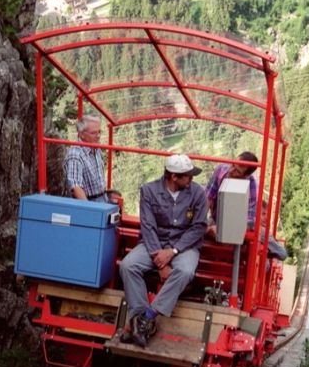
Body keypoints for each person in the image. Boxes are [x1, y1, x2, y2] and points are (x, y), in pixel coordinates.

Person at [119, 154, 209, 347]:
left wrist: (173, 251)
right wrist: (158, 258)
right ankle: (139, 318)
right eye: (187, 176)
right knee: (128, 265)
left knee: (185, 271)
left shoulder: (198, 193)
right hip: (154, 245)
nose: (191, 179)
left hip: (184, 246)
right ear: (174, 177)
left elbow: (199, 227)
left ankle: (148, 317)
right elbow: (148, 226)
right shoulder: (149, 191)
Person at [205, 152, 263, 236]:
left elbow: (250, 219)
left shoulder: (251, 185)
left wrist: (227, 230)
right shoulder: (221, 170)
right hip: (215, 220)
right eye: (232, 165)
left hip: (238, 226)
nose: (231, 171)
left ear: (246, 175)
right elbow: (208, 198)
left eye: (237, 171)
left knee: (267, 239)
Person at [64, 115, 107, 202]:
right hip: (90, 201)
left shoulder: (96, 148)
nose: (98, 136)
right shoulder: (75, 155)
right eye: (94, 133)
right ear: (81, 135)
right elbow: (75, 187)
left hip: (103, 198)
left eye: (99, 132)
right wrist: (89, 210)